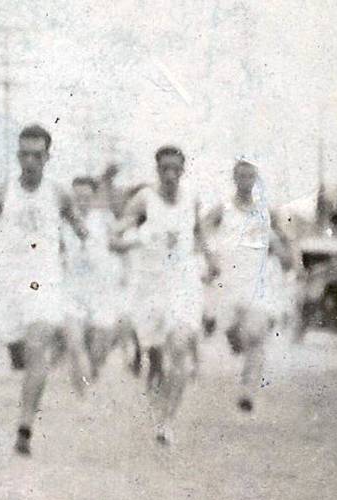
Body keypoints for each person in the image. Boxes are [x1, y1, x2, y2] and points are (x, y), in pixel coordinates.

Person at [0, 124, 88, 455]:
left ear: (47, 157)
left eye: (37, 155)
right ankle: (20, 357)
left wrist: (82, 233)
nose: (30, 161)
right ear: (18, 156)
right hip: (7, 284)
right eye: (24, 155)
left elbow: (80, 228)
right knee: (19, 354)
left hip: (44, 281)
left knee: (38, 345)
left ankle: (24, 427)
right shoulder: (0, 193)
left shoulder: (59, 194)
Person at [112, 145, 214, 445]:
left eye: (176, 169)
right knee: (155, 359)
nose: (170, 174)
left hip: (183, 284)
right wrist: (136, 238)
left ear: (183, 170)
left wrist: (210, 259)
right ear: (157, 169)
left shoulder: (191, 199)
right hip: (150, 287)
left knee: (180, 346)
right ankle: (158, 414)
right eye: (164, 168)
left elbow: (198, 233)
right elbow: (116, 237)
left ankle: (167, 422)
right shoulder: (145, 199)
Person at [203, 159, 291, 412]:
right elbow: (201, 232)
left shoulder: (266, 211)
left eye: (250, 176)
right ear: (234, 178)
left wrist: (284, 254)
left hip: (257, 283)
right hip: (228, 283)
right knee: (235, 335)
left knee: (257, 336)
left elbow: (284, 240)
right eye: (241, 176)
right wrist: (210, 257)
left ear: (256, 179)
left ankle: (248, 390)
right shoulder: (223, 209)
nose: (246, 181)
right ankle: (235, 341)